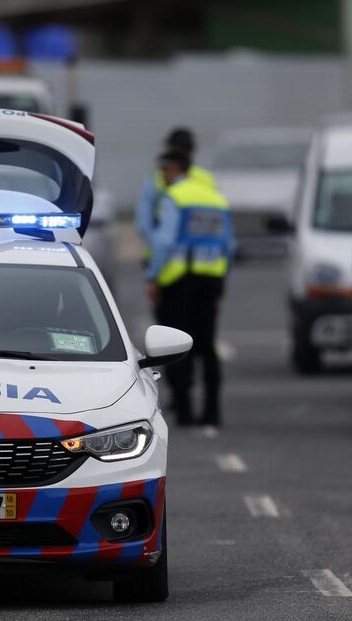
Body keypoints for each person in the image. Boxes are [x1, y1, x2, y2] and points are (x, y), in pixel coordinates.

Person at [146, 149, 233, 427]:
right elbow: (229, 246)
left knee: (177, 346)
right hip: (210, 281)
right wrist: (222, 280)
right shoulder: (217, 200)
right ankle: (212, 410)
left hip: (178, 282)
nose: (163, 176)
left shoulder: (175, 197)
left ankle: (183, 410)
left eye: (165, 171)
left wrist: (153, 276)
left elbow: (164, 242)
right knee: (208, 347)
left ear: (175, 170)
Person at [135, 128, 216, 258]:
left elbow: (144, 225)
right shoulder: (206, 179)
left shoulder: (156, 179)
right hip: (204, 258)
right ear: (193, 150)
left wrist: (157, 251)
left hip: (165, 258)